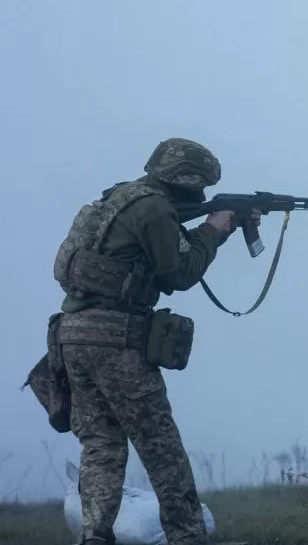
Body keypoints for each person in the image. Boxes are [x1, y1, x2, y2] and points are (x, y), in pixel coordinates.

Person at [50, 137, 260, 545]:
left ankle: (94, 535)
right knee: (162, 448)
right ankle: (187, 537)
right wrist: (213, 231)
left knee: (101, 445)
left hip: (71, 335)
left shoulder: (115, 201)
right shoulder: (154, 209)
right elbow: (179, 273)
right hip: (116, 338)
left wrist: (213, 230)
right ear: (188, 182)